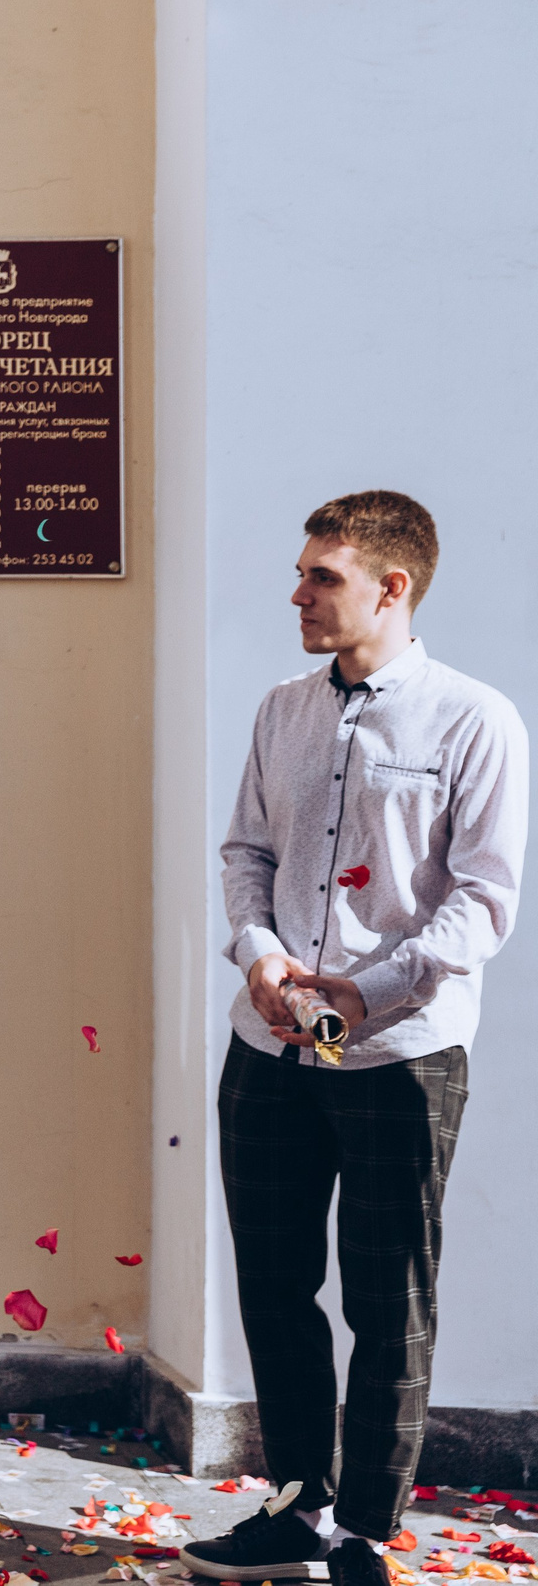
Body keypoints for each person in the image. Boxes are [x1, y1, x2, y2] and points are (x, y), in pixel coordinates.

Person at [184, 492, 525, 1586]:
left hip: (395, 1056)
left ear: (393, 588)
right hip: (269, 1048)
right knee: (273, 1289)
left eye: (319, 577)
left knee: (390, 1306)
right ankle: (292, 1511)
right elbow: (244, 851)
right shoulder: (282, 709)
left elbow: (480, 904)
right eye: (300, 573)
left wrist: (358, 990)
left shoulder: (475, 720)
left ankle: (366, 1536)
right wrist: (264, 959)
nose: (295, 593)